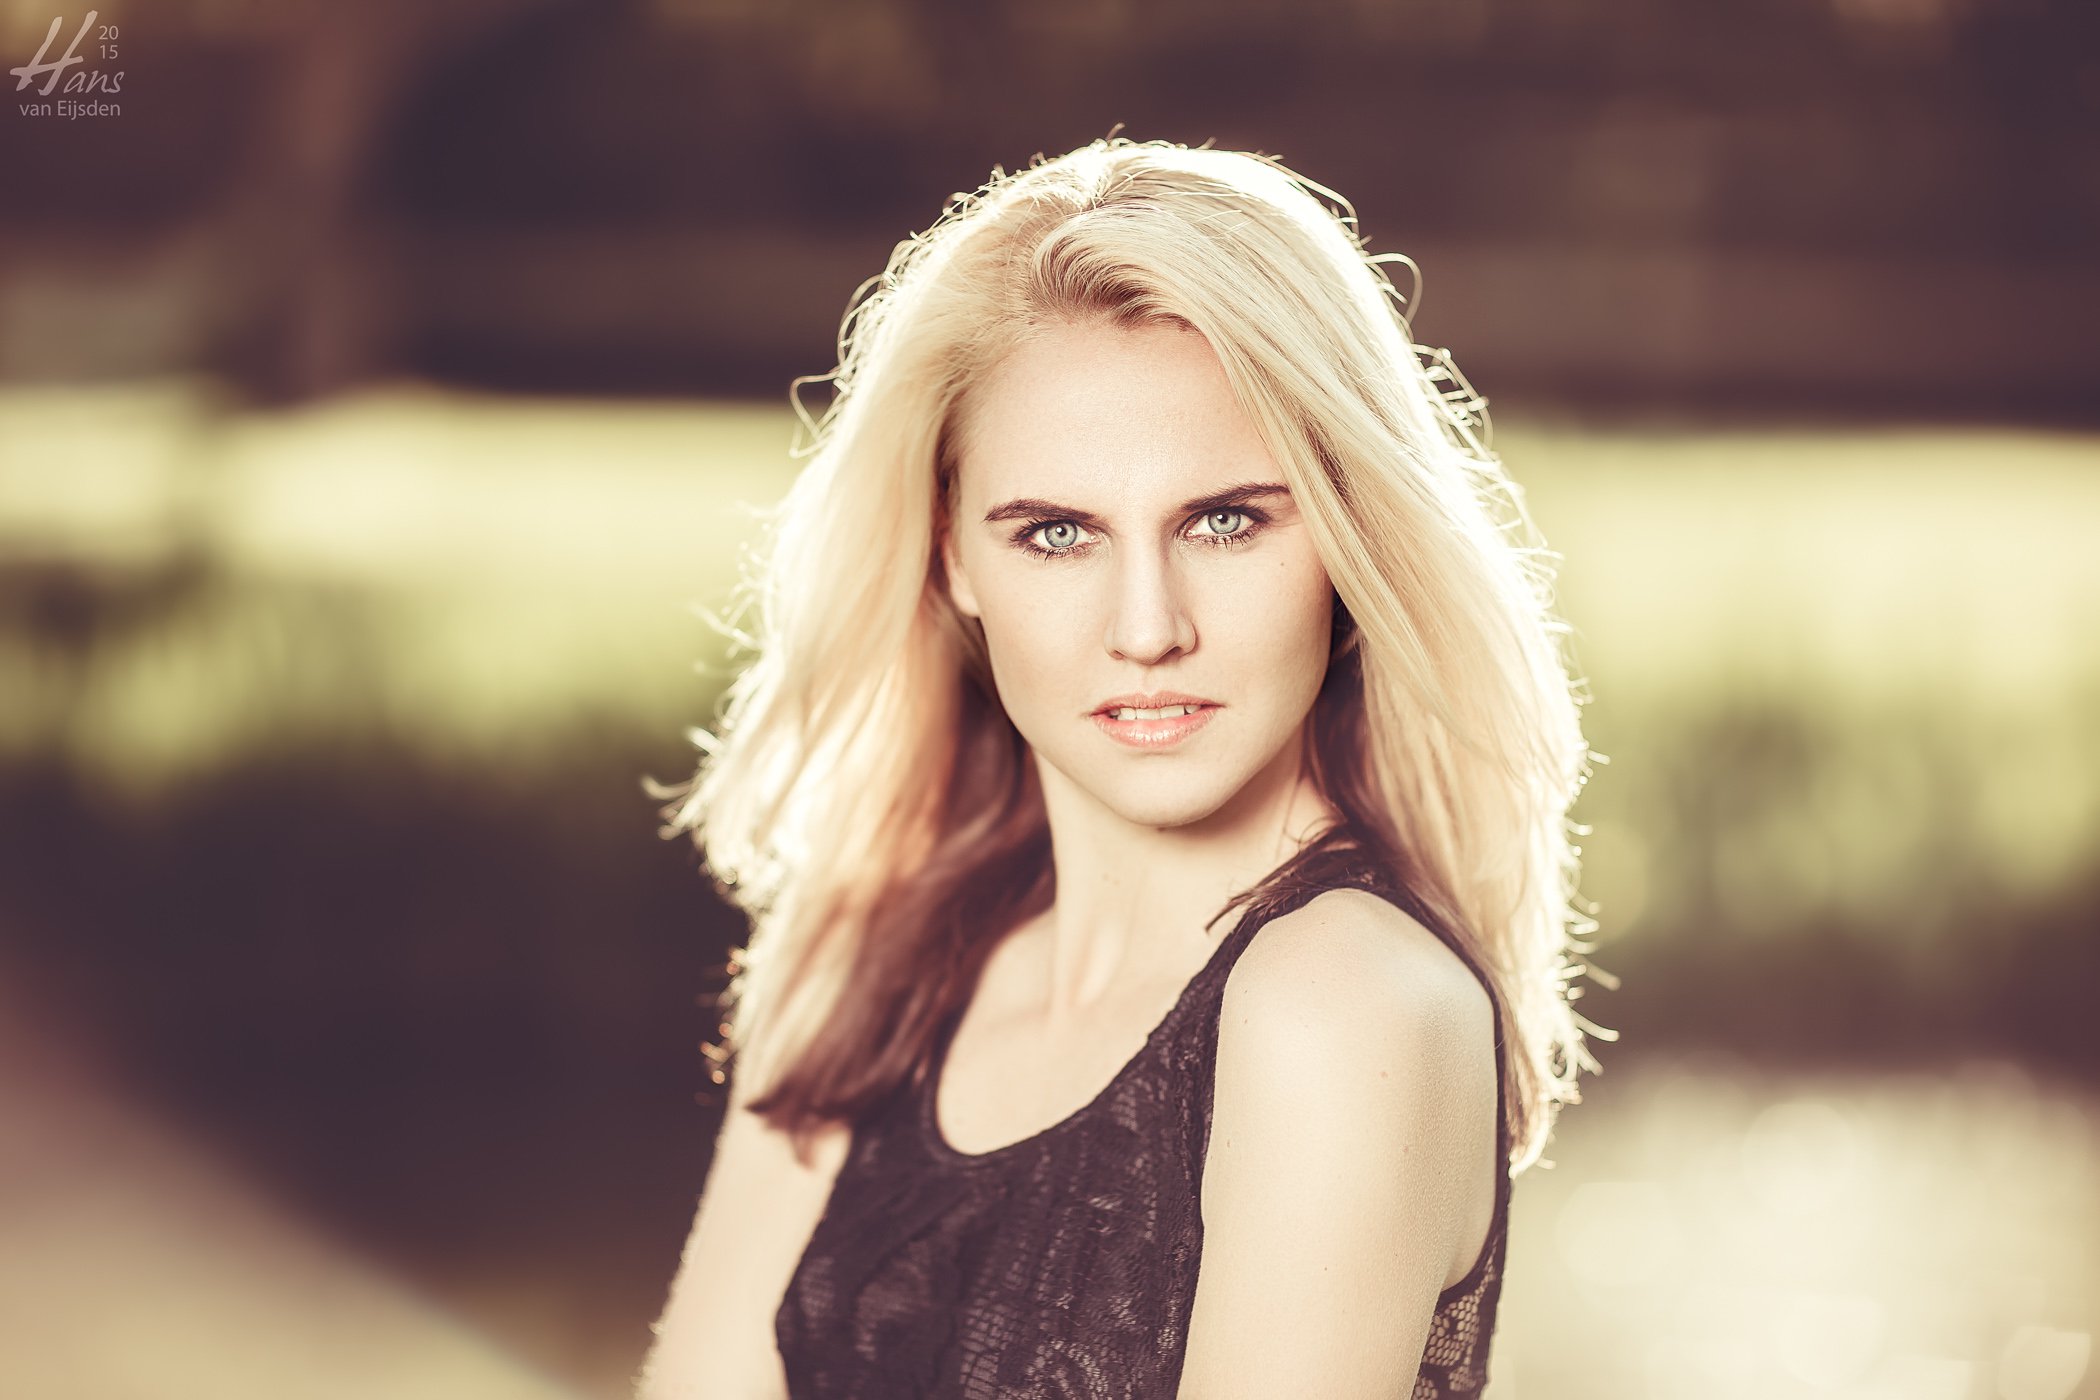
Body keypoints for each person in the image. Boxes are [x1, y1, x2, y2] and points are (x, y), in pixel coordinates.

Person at [635, 135, 1609, 1400]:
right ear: (953, 558)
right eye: (1057, 533)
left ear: (1346, 534)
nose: (1148, 627)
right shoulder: (869, 966)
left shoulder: (1347, 1004)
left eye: (1225, 520)